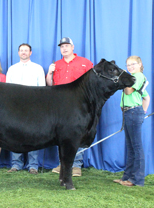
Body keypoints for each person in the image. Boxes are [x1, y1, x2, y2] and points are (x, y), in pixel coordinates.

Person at [46, 37, 93, 177]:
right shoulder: (56, 64)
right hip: (60, 104)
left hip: (78, 104)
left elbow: (93, 83)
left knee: (77, 132)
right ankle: (63, 164)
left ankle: (76, 165)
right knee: (60, 133)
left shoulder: (85, 63)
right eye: (62, 46)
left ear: (73, 47)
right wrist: (49, 72)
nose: (64, 48)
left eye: (67, 46)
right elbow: (50, 84)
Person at [6, 43, 45, 174]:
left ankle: (33, 165)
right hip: (16, 107)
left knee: (34, 134)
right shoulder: (12, 69)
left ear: (30, 52)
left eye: (26, 50)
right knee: (15, 134)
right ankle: (16, 164)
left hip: (33, 106)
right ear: (18, 53)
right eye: (21, 50)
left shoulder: (38, 68)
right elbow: (8, 89)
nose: (23, 52)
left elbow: (42, 88)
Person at [114, 56, 150, 187]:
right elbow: (146, 97)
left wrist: (123, 78)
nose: (130, 67)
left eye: (133, 64)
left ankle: (137, 180)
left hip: (133, 112)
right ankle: (127, 177)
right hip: (130, 113)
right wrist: (143, 112)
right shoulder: (135, 77)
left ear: (140, 64)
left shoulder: (138, 76)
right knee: (131, 147)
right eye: (128, 65)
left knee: (136, 147)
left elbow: (128, 91)